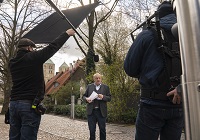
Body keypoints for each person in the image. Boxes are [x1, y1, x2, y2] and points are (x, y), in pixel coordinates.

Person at [124, 1, 184, 140]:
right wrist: (181, 88)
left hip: (151, 104)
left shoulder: (146, 34)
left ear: (158, 15)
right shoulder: (189, 35)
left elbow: (129, 69)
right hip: (178, 103)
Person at [9, 28, 75, 140]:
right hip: (29, 104)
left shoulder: (12, 63)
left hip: (14, 104)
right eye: (32, 48)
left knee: (14, 137)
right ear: (29, 48)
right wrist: (66, 34)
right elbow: (52, 47)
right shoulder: (33, 57)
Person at [82, 73, 111, 140]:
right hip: (91, 112)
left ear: (101, 79)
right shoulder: (89, 86)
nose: (98, 79)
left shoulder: (105, 87)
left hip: (101, 112)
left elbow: (109, 98)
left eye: (99, 78)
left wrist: (103, 97)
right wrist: (86, 99)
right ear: (94, 79)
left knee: (102, 130)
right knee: (92, 130)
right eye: (96, 78)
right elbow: (84, 96)